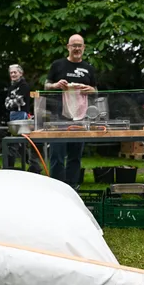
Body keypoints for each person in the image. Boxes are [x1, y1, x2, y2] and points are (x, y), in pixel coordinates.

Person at [44, 34, 97, 189]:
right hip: (58, 117)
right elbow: (46, 85)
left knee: (75, 155)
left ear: (84, 48)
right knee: (57, 155)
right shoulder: (57, 65)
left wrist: (91, 89)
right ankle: (57, 187)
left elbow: (95, 89)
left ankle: (73, 186)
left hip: (80, 118)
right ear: (68, 47)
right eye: (74, 45)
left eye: (79, 45)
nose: (77, 48)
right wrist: (55, 86)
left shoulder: (88, 68)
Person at [4, 64, 41, 173]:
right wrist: (11, 102)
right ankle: (33, 166)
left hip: (21, 115)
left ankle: (11, 167)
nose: (13, 74)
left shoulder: (24, 86)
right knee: (18, 143)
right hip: (13, 114)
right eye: (11, 73)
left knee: (19, 142)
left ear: (20, 73)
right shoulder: (11, 86)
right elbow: (7, 103)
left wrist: (10, 102)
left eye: (15, 72)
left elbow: (18, 101)